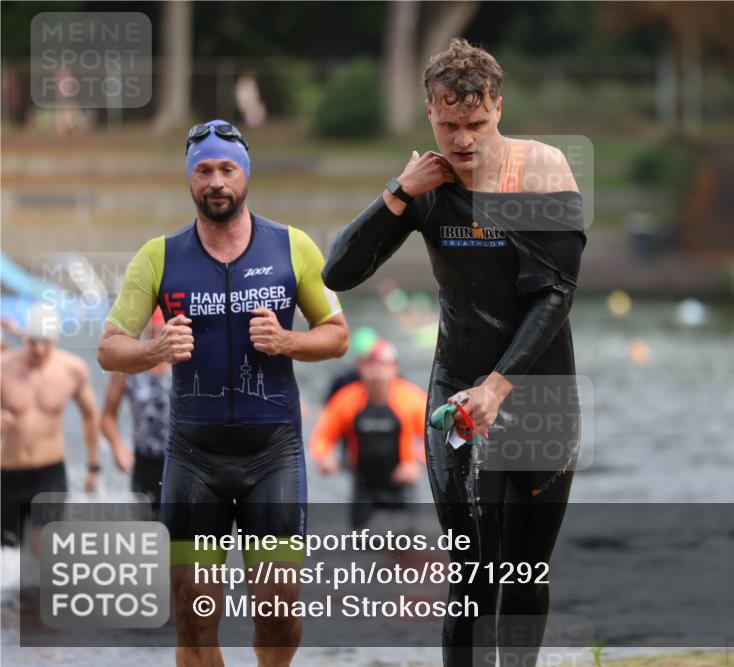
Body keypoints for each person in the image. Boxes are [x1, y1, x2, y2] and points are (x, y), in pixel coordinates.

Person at [323, 39, 585, 667]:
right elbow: (338, 272)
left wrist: (499, 386)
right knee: (470, 575)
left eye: (476, 124)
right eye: (448, 125)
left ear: (498, 107)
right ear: (429, 116)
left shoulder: (542, 170)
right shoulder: (428, 185)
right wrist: (399, 192)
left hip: (539, 389)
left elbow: (554, 295)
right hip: (456, 386)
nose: (463, 141)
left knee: (525, 571)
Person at [97, 119, 349, 667]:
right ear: (190, 180)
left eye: (226, 169)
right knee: (193, 616)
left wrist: (286, 341)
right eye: (204, 170)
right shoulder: (159, 256)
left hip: (273, 454)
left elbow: (338, 336)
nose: (216, 181)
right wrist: (155, 353)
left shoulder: (293, 246)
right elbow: (109, 348)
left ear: (245, 175)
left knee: (279, 613)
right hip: (193, 458)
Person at [1, 303, 101, 549]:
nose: (38, 349)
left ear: (55, 339)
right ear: (26, 337)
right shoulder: (4, 367)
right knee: (6, 557)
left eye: (45, 342)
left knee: (43, 557)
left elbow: (90, 414)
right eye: (33, 341)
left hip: (49, 474)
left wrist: (93, 466)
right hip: (8, 474)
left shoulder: (71, 369)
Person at [309, 339, 426, 529]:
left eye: (382, 366)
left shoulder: (411, 398)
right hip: (363, 486)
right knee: (360, 547)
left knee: (408, 546)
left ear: (394, 368)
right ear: (360, 369)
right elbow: (322, 436)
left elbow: (434, 438)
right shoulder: (347, 399)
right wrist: (324, 458)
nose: (377, 373)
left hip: (401, 484)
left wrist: (417, 465)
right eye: (370, 366)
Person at [100, 308, 170, 518]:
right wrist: (118, 447)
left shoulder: (185, 362)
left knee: (183, 536)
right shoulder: (128, 367)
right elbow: (107, 416)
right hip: (144, 461)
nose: (157, 337)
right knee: (150, 534)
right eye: (152, 332)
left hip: (181, 461)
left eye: (161, 331)